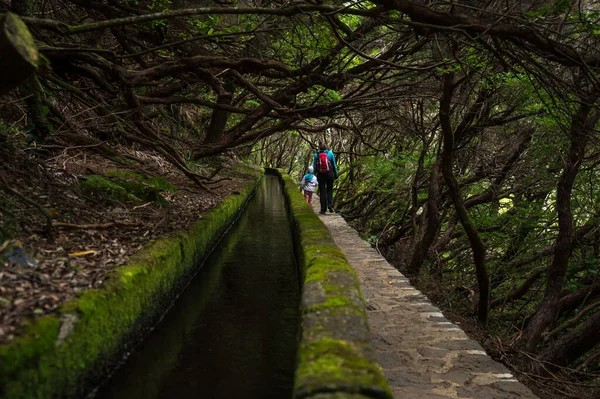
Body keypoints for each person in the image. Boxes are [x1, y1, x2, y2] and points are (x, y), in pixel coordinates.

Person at [313, 141, 338, 214]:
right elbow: (334, 165)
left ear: (319, 147)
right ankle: (330, 205)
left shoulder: (316, 155)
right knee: (330, 190)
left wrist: (314, 175)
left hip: (320, 175)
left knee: (322, 191)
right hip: (329, 173)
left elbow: (314, 166)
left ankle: (323, 209)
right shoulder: (330, 153)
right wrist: (336, 175)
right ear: (326, 147)